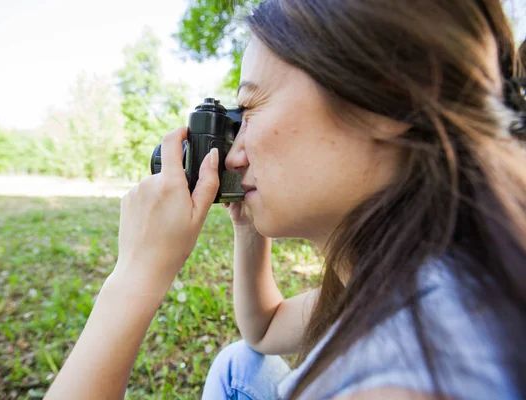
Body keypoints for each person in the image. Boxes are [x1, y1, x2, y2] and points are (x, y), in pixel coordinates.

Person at [44, 0, 526, 399]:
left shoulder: (395, 383)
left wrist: (135, 274)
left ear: (389, 99)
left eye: (250, 108)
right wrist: (247, 220)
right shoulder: (434, 259)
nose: (234, 156)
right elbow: (265, 330)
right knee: (240, 363)